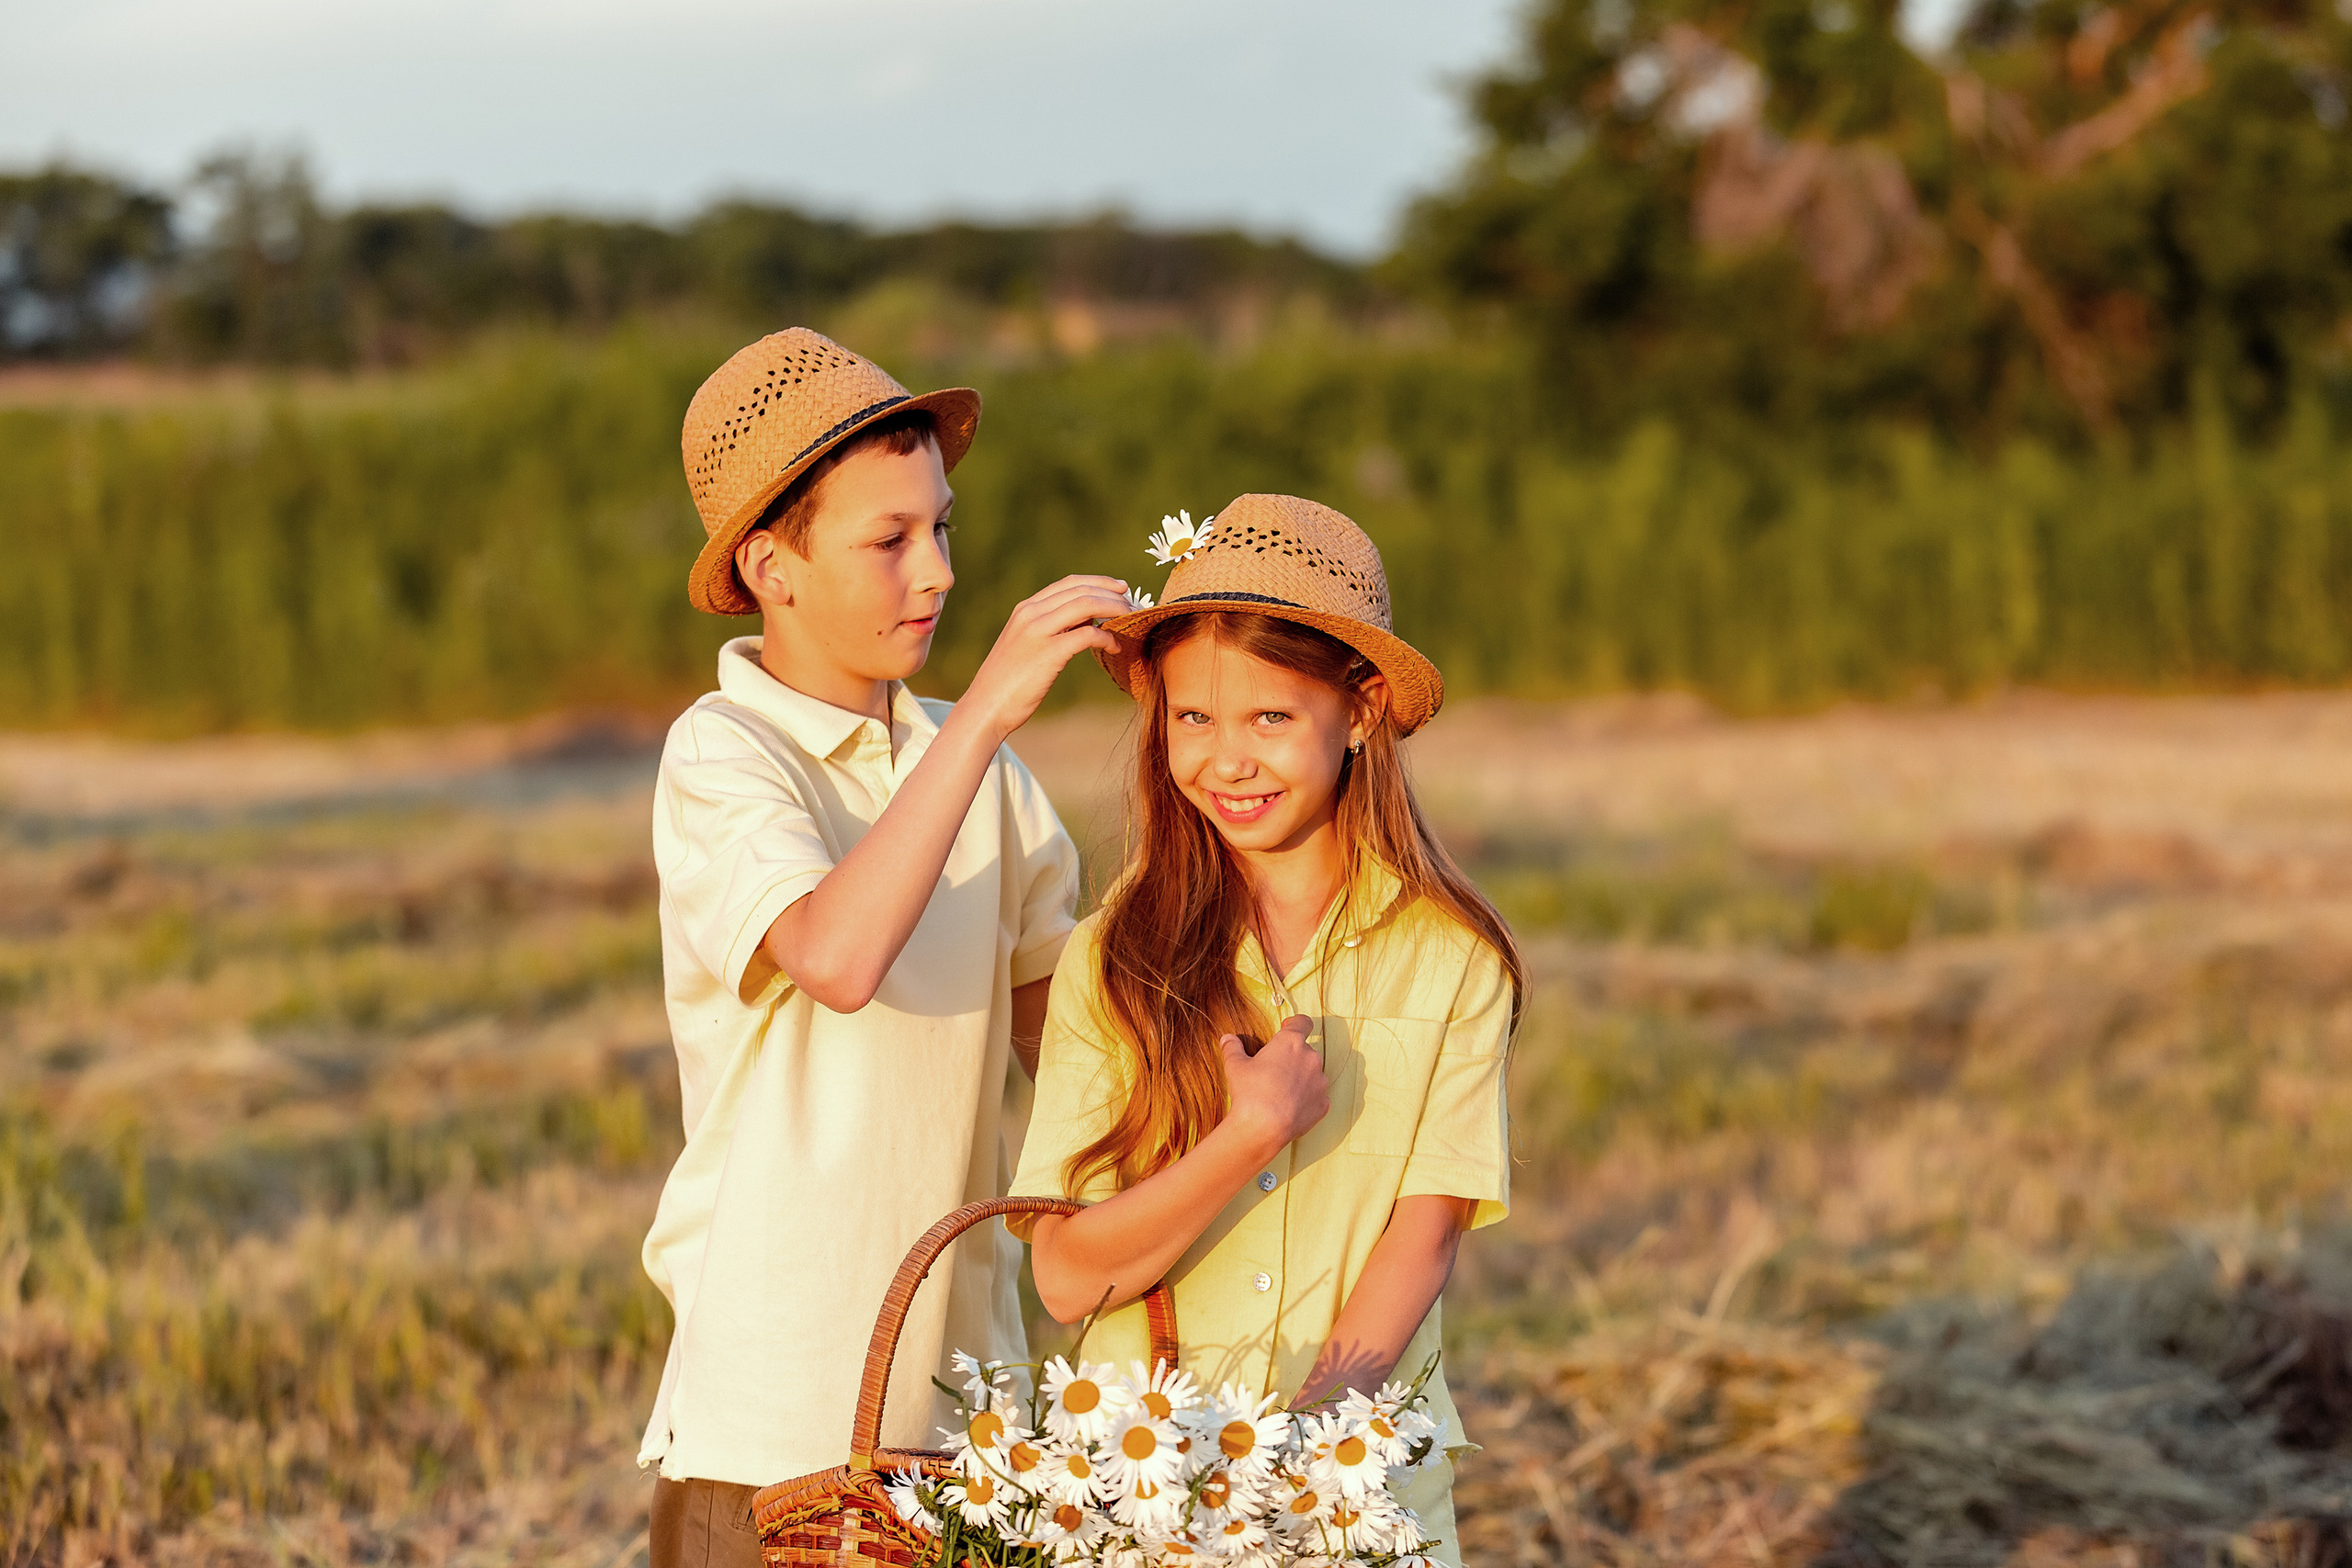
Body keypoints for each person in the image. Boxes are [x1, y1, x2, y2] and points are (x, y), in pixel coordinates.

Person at [639, 328, 1136, 1568]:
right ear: (772, 566)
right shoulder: (724, 753)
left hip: (965, 1420)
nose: (939, 572)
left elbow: (1078, 1065)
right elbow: (836, 955)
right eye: (889, 539)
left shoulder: (991, 776)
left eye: (944, 529)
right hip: (773, 1423)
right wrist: (979, 720)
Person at [1008, 493, 1523, 1567]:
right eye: (1192, 719)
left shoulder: (1453, 960)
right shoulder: (1113, 959)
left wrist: (1295, 1464)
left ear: (1363, 709)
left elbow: (1421, 1239)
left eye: (1270, 720)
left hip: (1347, 1493)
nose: (1225, 762)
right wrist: (1243, 1138)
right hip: (1129, 1496)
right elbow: (1065, 1280)